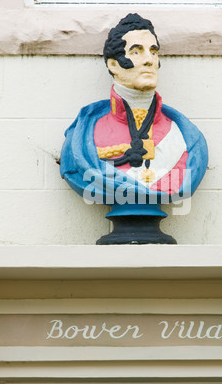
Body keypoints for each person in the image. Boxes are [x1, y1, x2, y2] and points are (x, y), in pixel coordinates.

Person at [60, 14, 208, 242]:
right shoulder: (83, 136)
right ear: (113, 64)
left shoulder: (186, 139)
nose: (149, 60)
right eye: (137, 51)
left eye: (154, 51)